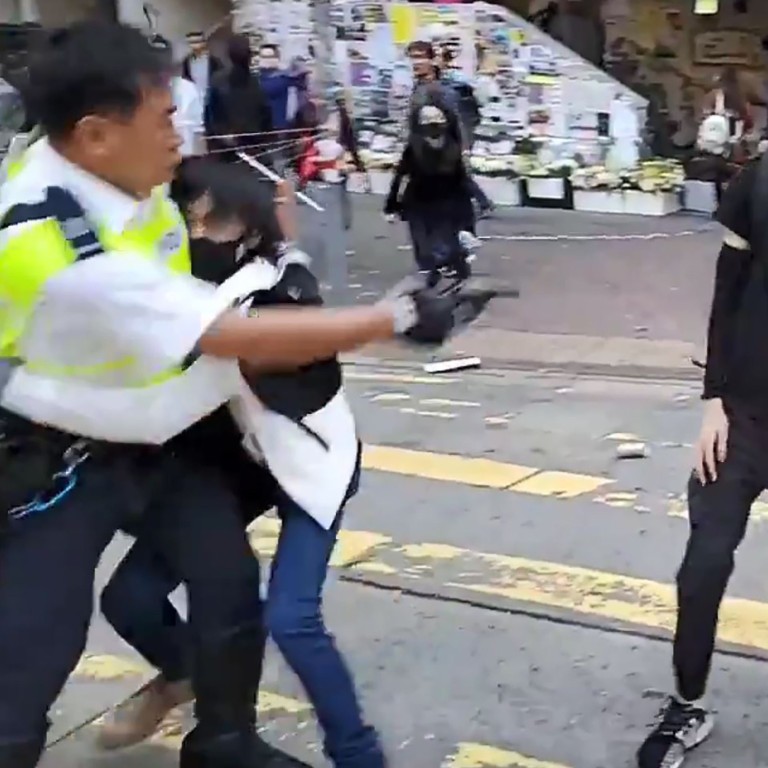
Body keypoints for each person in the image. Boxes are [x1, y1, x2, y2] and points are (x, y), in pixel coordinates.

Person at [0, 21, 492, 768]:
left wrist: (281, 236)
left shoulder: (131, 176)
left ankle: (226, 743)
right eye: (165, 119)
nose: (180, 136)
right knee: (36, 644)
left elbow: (216, 258)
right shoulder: (48, 240)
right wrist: (391, 317)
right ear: (96, 135)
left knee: (228, 588)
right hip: (61, 463)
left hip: (164, 445)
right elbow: (226, 333)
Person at [97, 161, 387, 768]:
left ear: (247, 232)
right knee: (130, 598)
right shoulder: (227, 276)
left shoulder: (252, 302)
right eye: (189, 218)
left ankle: (359, 756)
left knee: (293, 619)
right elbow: (296, 257)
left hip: (314, 471)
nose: (197, 232)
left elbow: (282, 316)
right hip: (249, 464)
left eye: (213, 222)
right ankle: (184, 674)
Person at [636, 155, 768, 768]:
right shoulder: (761, 178)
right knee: (703, 566)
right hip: (743, 414)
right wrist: (713, 399)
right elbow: (728, 289)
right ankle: (687, 702)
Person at [385, 82, 475, 283]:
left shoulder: (449, 148)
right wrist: (392, 204)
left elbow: (460, 178)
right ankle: (433, 272)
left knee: (440, 241)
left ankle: (443, 268)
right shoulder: (416, 147)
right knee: (424, 243)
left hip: (441, 200)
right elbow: (402, 175)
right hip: (420, 199)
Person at [207, 35, 273, 164]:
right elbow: (212, 115)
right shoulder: (220, 81)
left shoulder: (257, 82)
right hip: (234, 148)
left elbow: (266, 116)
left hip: (249, 146)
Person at [181, 30, 220, 113]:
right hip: (195, 104)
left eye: (197, 42)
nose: (195, 47)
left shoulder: (214, 62)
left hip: (213, 102)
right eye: (192, 43)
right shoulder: (186, 62)